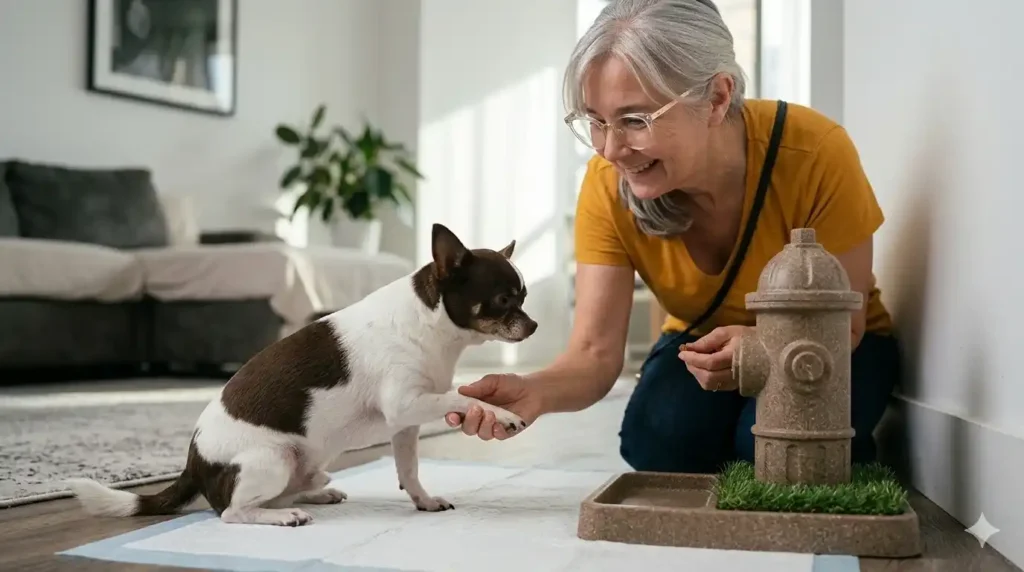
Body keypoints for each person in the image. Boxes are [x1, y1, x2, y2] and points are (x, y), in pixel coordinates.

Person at [444, 0, 901, 474]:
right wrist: (535, 391)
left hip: (828, 342)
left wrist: (760, 346)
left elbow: (844, 326)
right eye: (595, 120)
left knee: (769, 450)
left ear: (718, 98)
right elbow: (595, 353)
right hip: (702, 343)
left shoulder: (814, 151)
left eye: (635, 119)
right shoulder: (606, 185)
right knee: (658, 446)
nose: (609, 148)